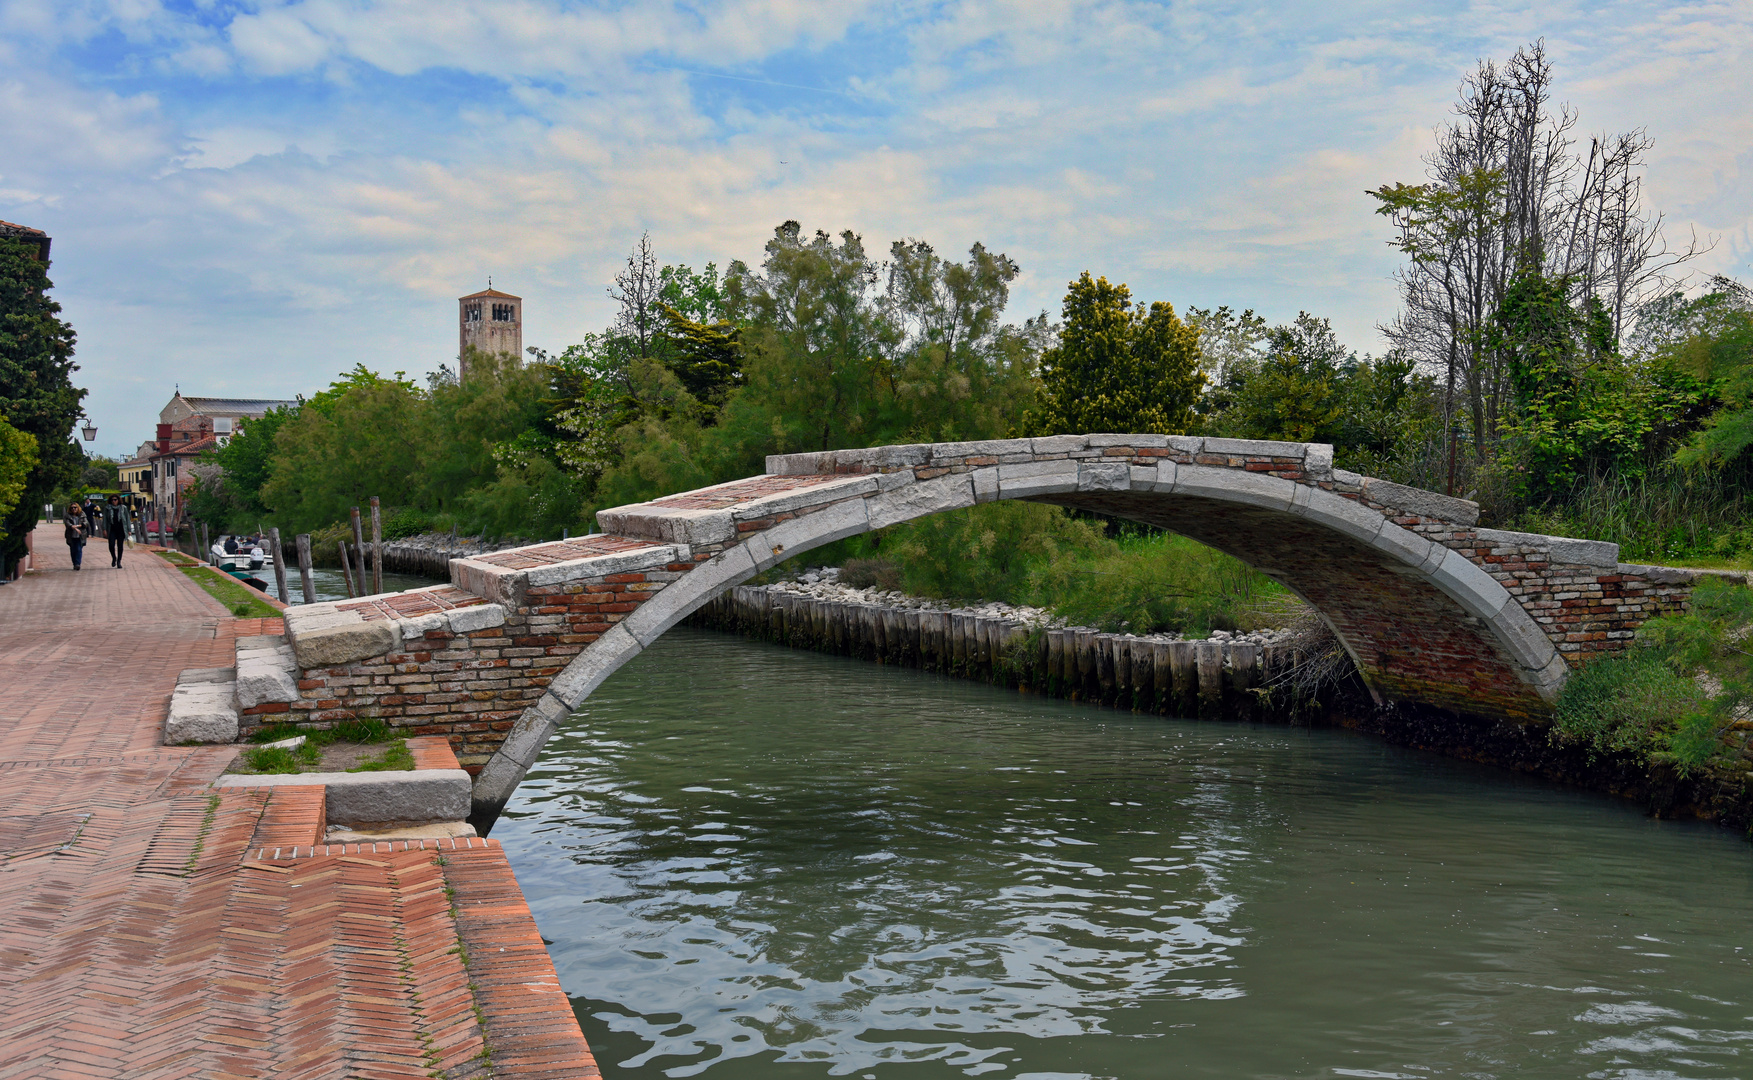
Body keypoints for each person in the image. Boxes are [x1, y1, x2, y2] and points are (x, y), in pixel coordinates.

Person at [104, 495, 128, 568]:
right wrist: (104, 529)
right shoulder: (107, 508)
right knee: (111, 545)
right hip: (112, 529)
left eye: (115, 500)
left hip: (121, 529)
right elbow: (105, 519)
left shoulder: (123, 508)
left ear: (118, 500)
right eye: (112, 500)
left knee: (120, 546)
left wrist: (129, 530)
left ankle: (119, 561)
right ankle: (114, 558)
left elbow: (127, 519)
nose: (114, 501)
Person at [63, 502, 88, 571]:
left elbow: (86, 523)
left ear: (78, 508)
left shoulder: (82, 514)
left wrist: (78, 526)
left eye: (75, 507)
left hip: (80, 535)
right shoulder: (67, 515)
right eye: (72, 508)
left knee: (79, 549)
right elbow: (67, 524)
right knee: (73, 550)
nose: (73, 509)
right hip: (71, 536)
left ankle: (77, 564)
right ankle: (74, 563)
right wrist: (74, 527)